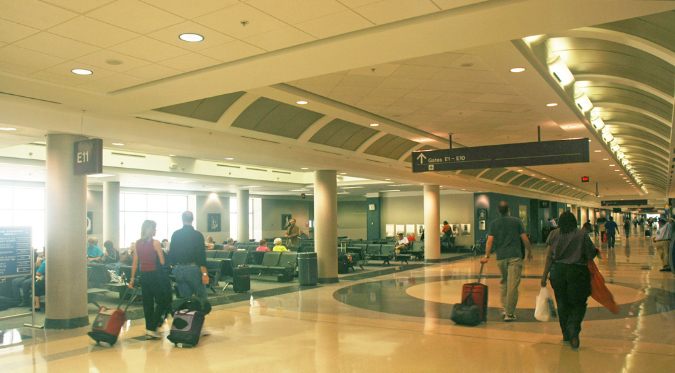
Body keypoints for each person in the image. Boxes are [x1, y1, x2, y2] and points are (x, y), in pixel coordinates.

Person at [541, 211, 599, 349]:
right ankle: (573, 327)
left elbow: (550, 256)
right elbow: (590, 253)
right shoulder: (581, 234)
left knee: (561, 302)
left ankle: (566, 334)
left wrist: (544, 276)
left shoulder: (553, 234)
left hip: (558, 271)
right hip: (577, 271)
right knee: (579, 302)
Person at [480, 201, 532, 321]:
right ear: (509, 210)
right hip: (515, 255)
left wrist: (486, 256)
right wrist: (529, 251)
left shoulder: (494, 223)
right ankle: (509, 313)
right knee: (513, 284)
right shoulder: (517, 221)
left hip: (501, 257)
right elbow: (524, 238)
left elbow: (489, 241)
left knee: (504, 282)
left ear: (498, 211)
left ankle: (504, 308)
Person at [129, 220, 172, 339]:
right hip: (155, 275)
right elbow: (162, 261)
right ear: (150, 230)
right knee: (162, 301)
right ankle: (153, 326)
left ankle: (149, 328)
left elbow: (135, 262)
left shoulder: (137, 243)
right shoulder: (156, 243)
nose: (155, 231)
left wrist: (132, 279)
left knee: (147, 302)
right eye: (154, 228)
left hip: (143, 275)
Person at [169, 211, 209, 301]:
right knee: (201, 298)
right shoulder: (197, 235)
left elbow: (171, 254)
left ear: (182, 219)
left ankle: (188, 314)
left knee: (185, 299)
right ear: (193, 219)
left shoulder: (176, 234)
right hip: (193, 269)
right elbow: (201, 257)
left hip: (179, 269)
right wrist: (205, 274)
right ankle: (198, 314)